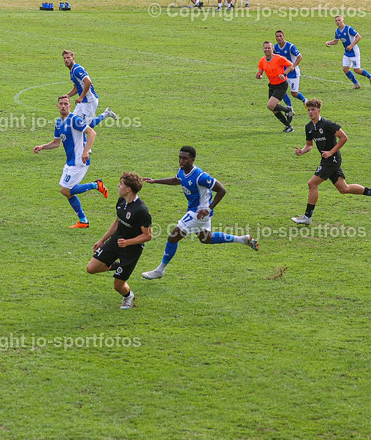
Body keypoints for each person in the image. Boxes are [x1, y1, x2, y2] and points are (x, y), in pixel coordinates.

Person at [140, 146, 258, 280]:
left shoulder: (201, 177)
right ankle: (242, 239)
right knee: (206, 239)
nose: (181, 161)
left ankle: (159, 270)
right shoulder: (182, 170)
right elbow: (177, 180)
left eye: (185, 158)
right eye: (180, 157)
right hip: (196, 211)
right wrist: (155, 181)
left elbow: (222, 191)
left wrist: (208, 209)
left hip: (199, 212)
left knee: (173, 237)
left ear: (192, 159)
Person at [291, 99, 371, 224]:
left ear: (319, 111)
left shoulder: (327, 124)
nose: (310, 112)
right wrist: (302, 151)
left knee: (312, 184)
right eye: (308, 110)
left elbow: (344, 137)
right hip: (326, 159)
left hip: (332, 159)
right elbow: (309, 145)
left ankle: (307, 217)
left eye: (313, 110)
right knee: (344, 188)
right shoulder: (308, 127)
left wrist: (331, 152)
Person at [32, 95, 109, 229]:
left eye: (65, 104)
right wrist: (43, 147)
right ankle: (83, 221)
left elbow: (92, 133)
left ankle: (96, 185)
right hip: (70, 162)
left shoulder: (74, 120)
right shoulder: (58, 123)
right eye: (61, 104)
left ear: (70, 106)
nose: (63, 106)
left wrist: (86, 151)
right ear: (57, 106)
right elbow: (56, 143)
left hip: (80, 161)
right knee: (67, 192)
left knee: (66, 190)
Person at [86, 172, 153, 309]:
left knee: (118, 285)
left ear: (128, 189)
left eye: (121, 184)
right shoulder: (121, 201)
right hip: (116, 241)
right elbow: (118, 221)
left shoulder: (141, 210)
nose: (118, 186)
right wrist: (102, 240)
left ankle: (128, 296)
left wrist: (127, 242)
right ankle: (117, 266)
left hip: (131, 250)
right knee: (91, 268)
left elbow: (148, 236)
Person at [62, 49, 116, 127]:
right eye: (64, 58)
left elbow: (88, 82)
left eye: (68, 58)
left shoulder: (77, 70)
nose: (66, 60)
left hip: (90, 101)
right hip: (82, 102)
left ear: (73, 58)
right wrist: (67, 96)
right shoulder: (72, 71)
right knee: (72, 122)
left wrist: (81, 97)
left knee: (85, 126)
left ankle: (106, 113)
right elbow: (76, 88)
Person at [256, 40, 295, 131]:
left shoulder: (278, 58)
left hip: (281, 85)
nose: (267, 50)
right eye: (265, 48)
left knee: (270, 105)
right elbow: (260, 73)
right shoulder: (262, 60)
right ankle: (289, 126)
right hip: (272, 86)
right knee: (273, 109)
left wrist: (284, 74)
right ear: (263, 49)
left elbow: (291, 66)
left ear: (272, 48)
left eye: (269, 48)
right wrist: (258, 75)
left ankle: (287, 110)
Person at [326, 14, 371, 89]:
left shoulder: (349, 29)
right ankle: (356, 84)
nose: (338, 22)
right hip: (347, 53)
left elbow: (359, 37)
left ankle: (369, 76)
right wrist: (329, 42)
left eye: (339, 20)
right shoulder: (337, 31)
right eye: (336, 21)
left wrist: (351, 45)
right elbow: (336, 41)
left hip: (354, 52)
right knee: (345, 69)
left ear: (343, 21)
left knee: (356, 70)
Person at [273, 29, 307, 109]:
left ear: (284, 37)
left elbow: (300, 56)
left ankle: (305, 100)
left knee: (294, 93)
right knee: (282, 91)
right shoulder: (275, 48)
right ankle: (290, 107)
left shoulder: (290, 46)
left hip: (293, 73)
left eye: (280, 36)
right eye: (277, 36)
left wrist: (293, 66)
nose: (279, 38)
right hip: (283, 73)